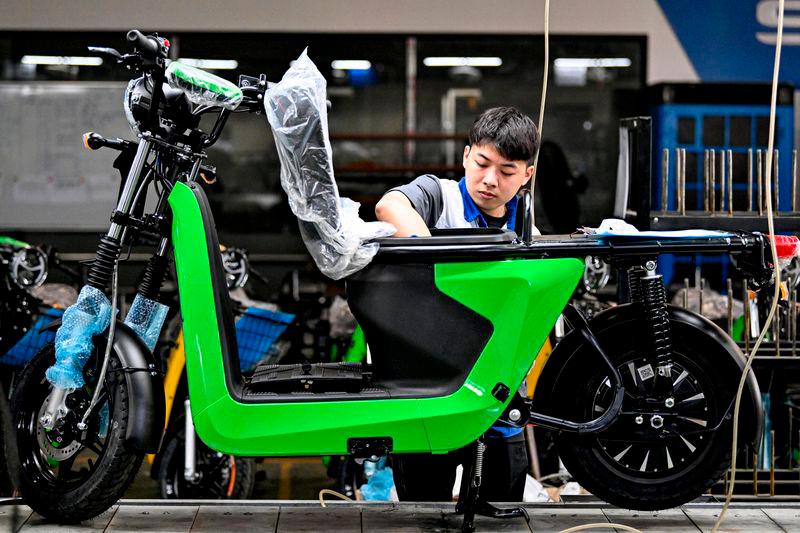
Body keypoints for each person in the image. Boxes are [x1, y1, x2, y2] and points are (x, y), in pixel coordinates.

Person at [375, 106, 539, 502]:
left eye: (507, 171)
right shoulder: (437, 195)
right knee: (423, 517)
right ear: (466, 155)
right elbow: (389, 207)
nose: (489, 180)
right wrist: (437, 262)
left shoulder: (526, 228)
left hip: (498, 407)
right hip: (430, 401)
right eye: (482, 163)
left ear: (527, 175)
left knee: (499, 522)